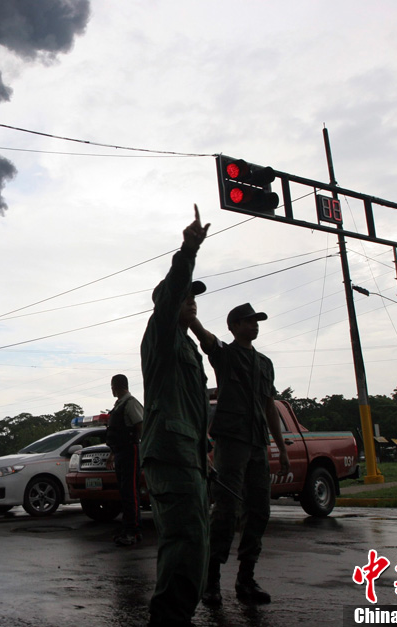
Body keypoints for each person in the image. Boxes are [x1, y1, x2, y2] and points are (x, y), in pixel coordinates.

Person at [139, 205, 211, 627]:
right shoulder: (162, 335)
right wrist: (188, 250)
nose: (192, 302)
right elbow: (168, 301)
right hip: (170, 454)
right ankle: (168, 619)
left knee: (193, 541)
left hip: (189, 457)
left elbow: (195, 410)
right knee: (185, 541)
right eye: (186, 297)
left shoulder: (189, 348)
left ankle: (175, 615)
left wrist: (206, 454)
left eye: (195, 297)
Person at [192, 303, 291, 606]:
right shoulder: (226, 355)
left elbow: (269, 408)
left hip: (258, 444)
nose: (254, 325)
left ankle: (245, 580)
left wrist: (282, 448)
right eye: (248, 322)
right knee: (226, 510)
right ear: (233, 327)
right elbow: (206, 340)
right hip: (232, 442)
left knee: (259, 511)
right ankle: (211, 582)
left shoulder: (265, 364)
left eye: (257, 321)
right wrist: (191, 317)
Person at [106, 374, 144, 546]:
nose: (111, 389)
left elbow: (141, 426)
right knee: (124, 491)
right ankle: (127, 528)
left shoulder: (130, 403)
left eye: (112, 386)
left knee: (130, 491)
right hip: (120, 452)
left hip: (130, 450)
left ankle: (133, 531)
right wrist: (112, 455)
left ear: (117, 386)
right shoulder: (119, 405)